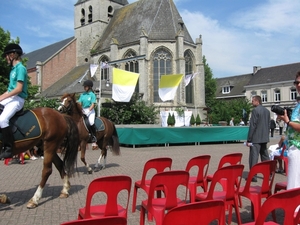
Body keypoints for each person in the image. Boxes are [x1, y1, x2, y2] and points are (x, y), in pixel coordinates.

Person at [0, 43, 28, 159]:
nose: (6, 58)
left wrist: (3, 98)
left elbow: (18, 89)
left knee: (2, 120)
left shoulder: (21, 68)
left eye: (6, 56)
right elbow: (9, 90)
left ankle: (8, 148)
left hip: (18, 99)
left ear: (12, 55)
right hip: (11, 97)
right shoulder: (13, 70)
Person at [276, 71, 300, 190]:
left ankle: (294, 207)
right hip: (293, 147)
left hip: (298, 148)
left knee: (294, 185)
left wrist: (288, 122)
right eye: (296, 82)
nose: (298, 85)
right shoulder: (298, 105)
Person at [245, 95, 270, 182]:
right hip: (264, 137)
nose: (252, 102)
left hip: (256, 138)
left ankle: (253, 176)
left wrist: (249, 138)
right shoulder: (267, 111)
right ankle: (269, 174)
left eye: (253, 101)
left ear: (257, 101)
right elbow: (268, 125)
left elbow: (253, 125)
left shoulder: (255, 111)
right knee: (265, 157)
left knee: (253, 157)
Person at [77, 79, 97, 144]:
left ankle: (93, 136)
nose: (84, 87)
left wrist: (88, 111)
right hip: (83, 110)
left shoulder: (92, 95)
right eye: (84, 86)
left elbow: (93, 104)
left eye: (86, 86)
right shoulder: (82, 95)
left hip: (90, 110)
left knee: (91, 122)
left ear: (89, 87)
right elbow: (79, 102)